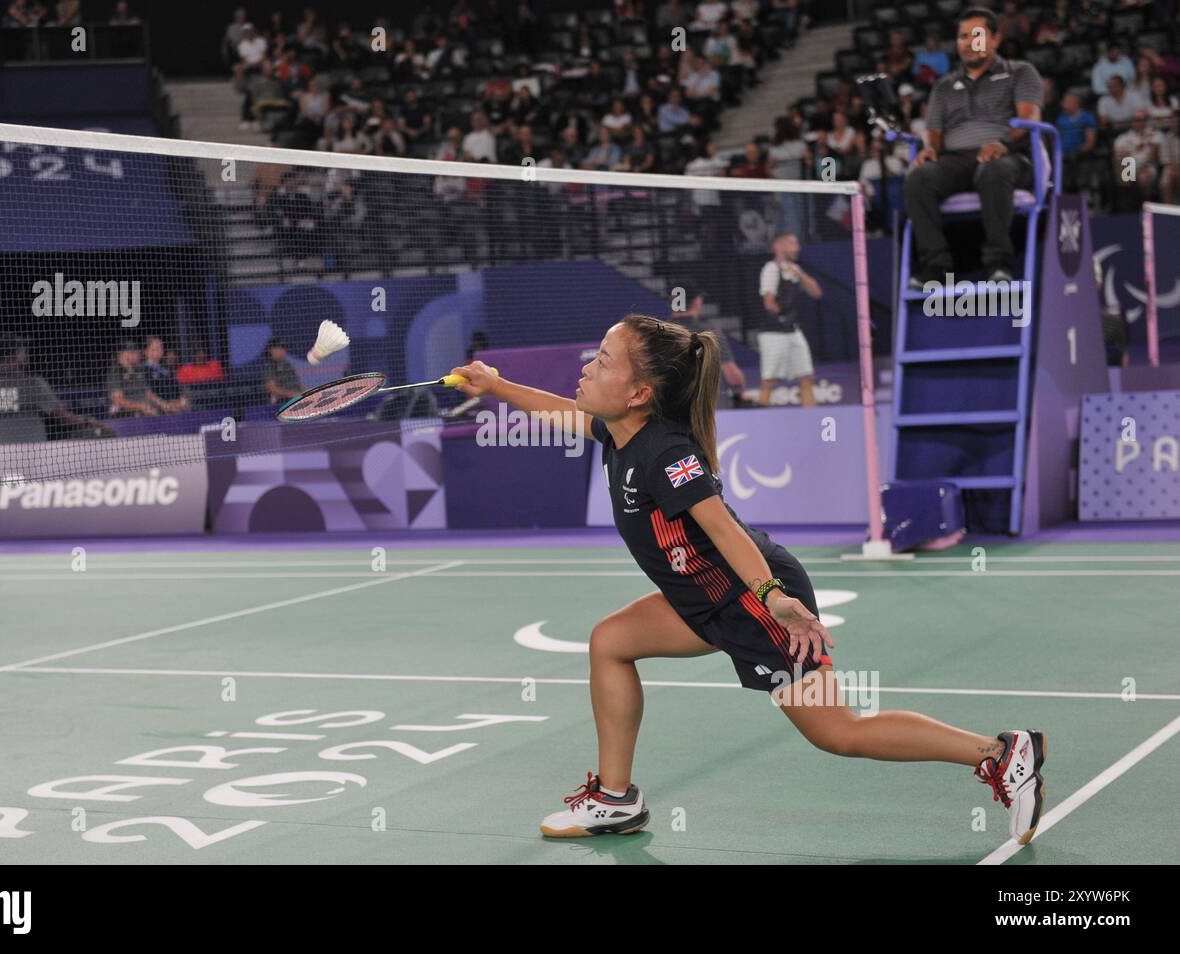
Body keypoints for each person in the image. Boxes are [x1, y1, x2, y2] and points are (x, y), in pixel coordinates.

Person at [447, 317, 1048, 843]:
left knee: (838, 732)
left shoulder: (665, 454)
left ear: (639, 392)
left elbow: (726, 532)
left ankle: (1001, 755)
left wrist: (774, 598)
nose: (587, 366)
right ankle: (615, 798)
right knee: (611, 642)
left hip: (752, 600)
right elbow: (567, 414)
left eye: (603, 360)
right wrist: (495, 385)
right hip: (702, 599)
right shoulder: (619, 429)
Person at [905, 7, 1043, 287]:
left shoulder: (1020, 72)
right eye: (962, 37)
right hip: (956, 160)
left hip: (1010, 156)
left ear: (995, 38)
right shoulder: (943, 86)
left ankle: (998, 264)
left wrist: (1003, 144)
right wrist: (930, 149)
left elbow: (1028, 120)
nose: (968, 43)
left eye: (976, 35)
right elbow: (934, 134)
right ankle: (936, 268)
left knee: (993, 170)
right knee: (918, 178)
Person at [0, 337, 112, 442]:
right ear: (13, 355)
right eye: (22, 351)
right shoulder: (32, 383)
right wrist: (89, 421)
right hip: (34, 452)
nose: (25, 354)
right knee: (102, 433)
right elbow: (64, 419)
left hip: (0, 453)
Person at [758, 232, 821, 406]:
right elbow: (769, 302)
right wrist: (779, 313)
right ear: (779, 246)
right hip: (773, 333)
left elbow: (816, 292)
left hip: (793, 331)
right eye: (793, 243)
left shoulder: (795, 269)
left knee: (807, 376)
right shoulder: (771, 269)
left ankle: (812, 419)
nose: (797, 247)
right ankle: (760, 418)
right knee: (770, 380)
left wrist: (799, 275)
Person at [108, 340, 170, 417]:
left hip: (145, 409)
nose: (135, 354)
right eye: (129, 352)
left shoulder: (137, 370)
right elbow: (118, 400)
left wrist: (162, 404)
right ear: (121, 354)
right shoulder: (116, 372)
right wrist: (140, 406)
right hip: (124, 414)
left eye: (135, 352)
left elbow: (148, 393)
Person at [143, 336, 189, 412]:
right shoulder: (143, 369)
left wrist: (182, 401)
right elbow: (147, 392)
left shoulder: (167, 368)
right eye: (156, 348)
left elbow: (177, 388)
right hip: (158, 408)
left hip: (175, 405)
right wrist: (163, 404)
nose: (160, 351)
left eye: (161, 348)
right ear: (146, 351)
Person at [262, 337, 303, 404]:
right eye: (279, 347)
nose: (283, 350)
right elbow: (272, 389)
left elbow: (298, 383)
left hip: (296, 399)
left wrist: (305, 393)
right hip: (281, 402)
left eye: (283, 347)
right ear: (271, 350)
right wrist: (292, 394)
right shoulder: (269, 366)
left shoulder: (288, 365)